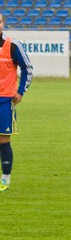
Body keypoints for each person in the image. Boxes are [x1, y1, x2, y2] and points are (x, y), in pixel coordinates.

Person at [0, 13, 33, 191]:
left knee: (3, 139)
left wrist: (21, 91)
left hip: (5, 100)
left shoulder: (13, 46)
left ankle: (5, 177)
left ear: (3, 24)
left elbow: (28, 68)